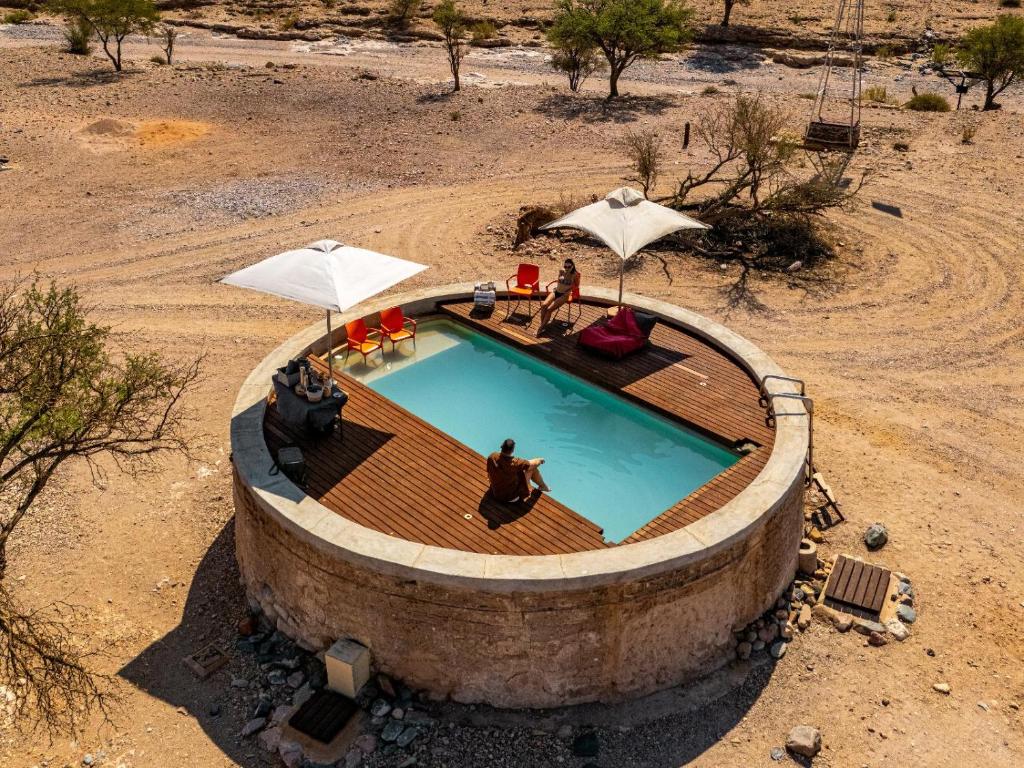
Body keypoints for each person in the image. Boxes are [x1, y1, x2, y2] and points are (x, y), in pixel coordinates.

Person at [486, 438, 550, 502]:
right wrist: (540, 460)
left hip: (495, 492)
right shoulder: (515, 463)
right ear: (512, 450)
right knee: (532, 468)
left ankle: (543, 486)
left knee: (522, 469)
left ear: (501, 446)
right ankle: (543, 486)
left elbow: (489, 474)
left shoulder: (492, 456)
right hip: (510, 497)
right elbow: (533, 464)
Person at [537, 258, 579, 335]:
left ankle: (541, 328)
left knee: (549, 309)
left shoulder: (575, 275)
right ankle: (543, 324)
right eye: (565, 266)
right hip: (556, 291)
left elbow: (577, 285)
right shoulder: (561, 271)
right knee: (543, 305)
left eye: (569, 267)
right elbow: (559, 281)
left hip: (564, 295)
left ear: (572, 266)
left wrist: (569, 290)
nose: (567, 268)